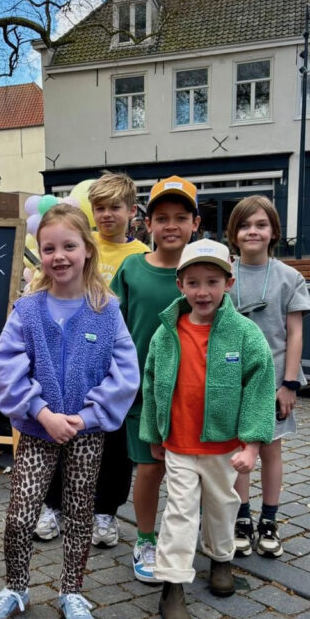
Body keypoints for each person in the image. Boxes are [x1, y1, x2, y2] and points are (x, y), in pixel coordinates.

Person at [0, 204, 139, 619]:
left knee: (80, 513)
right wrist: (42, 412)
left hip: (87, 434)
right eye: (49, 248)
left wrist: (86, 418)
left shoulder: (106, 310)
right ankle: (15, 587)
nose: (59, 256)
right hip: (36, 431)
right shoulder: (27, 311)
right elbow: (8, 365)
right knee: (20, 516)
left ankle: (72, 591)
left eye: (69, 246)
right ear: (40, 254)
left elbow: (124, 373)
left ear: (87, 250)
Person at [140, 240, 275, 619]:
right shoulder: (166, 333)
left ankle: (220, 558)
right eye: (194, 282)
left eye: (212, 281)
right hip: (179, 445)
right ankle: (172, 585)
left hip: (223, 447)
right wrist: (153, 432)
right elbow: (151, 384)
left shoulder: (245, 334)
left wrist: (252, 445)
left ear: (228, 283)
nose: (203, 291)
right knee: (180, 513)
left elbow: (259, 388)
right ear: (180, 283)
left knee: (222, 506)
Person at [34, 173, 148, 549]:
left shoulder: (138, 257)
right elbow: (43, 285)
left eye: (115, 207)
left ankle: (105, 512)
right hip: (65, 366)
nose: (106, 215)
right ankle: (53, 505)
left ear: (132, 211)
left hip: (108, 367)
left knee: (114, 447)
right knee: (57, 439)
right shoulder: (75, 244)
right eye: (99, 208)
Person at [111, 175, 200, 584]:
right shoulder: (132, 268)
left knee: (190, 471)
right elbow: (111, 321)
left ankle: (187, 536)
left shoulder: (203, 273)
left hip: (188, 391)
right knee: (149, 468)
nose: (171, 226)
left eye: (181, 217)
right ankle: (145, 538)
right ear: (147, 224)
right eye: (161, 217)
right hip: (140, 392)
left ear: (194, 224)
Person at [226, 195, 310, 558]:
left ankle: (269, 521)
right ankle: (242, 518)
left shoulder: (288, 277)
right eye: (245, 226)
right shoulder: (224, 272)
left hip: (276, 379)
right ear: (233, 234)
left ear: (273, 231)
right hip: (234, 380)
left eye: (260, 225)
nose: (253, 232)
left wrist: (289, 383)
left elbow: (294, 333)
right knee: (240, 450)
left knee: (271, 450)